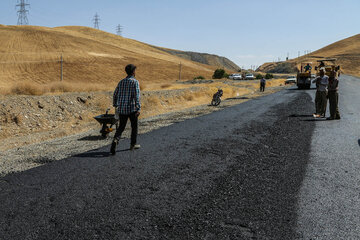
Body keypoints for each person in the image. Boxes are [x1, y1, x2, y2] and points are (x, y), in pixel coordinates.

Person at [110, 64, 141, 155]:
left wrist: (115, 104)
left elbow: (115, 94)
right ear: (133, 72)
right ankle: (132, 144)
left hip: (122, 109)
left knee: (121, 127)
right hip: (132, 109)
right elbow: (137, 96)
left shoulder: (121, 82)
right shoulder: (135, 82)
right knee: (134, 127)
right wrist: (138, 108)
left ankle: (116, 139)